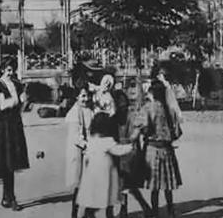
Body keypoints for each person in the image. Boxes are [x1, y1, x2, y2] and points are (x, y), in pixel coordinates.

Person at [136, 79, 182, 218]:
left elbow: (142, 128)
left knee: (154, 186)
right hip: (167, 149)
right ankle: (170, 212)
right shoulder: (171, 109)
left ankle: (155, 213)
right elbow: (177, 132)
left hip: (152, 150)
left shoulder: (147, 108)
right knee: (168, 185)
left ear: (151, 93)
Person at [0, 59, 29, 211]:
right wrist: (12, 101)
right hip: (3, 126)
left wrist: (23, 101)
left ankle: (8, 197)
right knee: (7, 162)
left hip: (15, 125)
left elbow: (22, 105)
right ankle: (10, 198)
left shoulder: (17, 84)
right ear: (2, 69)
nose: (11, 73)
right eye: (8, 70)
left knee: (13, 162)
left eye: (13, 70)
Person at [77, 112, 133, 218]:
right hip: (105, 174)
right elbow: (118, 150)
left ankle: (88, 214)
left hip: (92, 173)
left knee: (92, 197)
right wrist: (130, 147)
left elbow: (86, 155)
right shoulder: (107, 141)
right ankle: (107, 214)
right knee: (107, 196)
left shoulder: (91, 139)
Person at [110, 89, 151, 218]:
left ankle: (128, 209)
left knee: (125, 183)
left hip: (127, 151)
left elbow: (136, 131)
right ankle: (132, 208)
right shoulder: (118, 115)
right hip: (123, 150)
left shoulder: (129, 114)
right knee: (126, 184)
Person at [65, 87, 95, 218]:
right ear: (76, 97)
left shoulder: (89, 110)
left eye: (87, 96)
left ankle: (88, 214)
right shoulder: (74, 112)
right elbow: (76, 136)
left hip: (90, 151)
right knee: (80, 186)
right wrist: (87, 146)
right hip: (80, 152)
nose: (86, 99)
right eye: (82, 96)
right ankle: (75, 214)